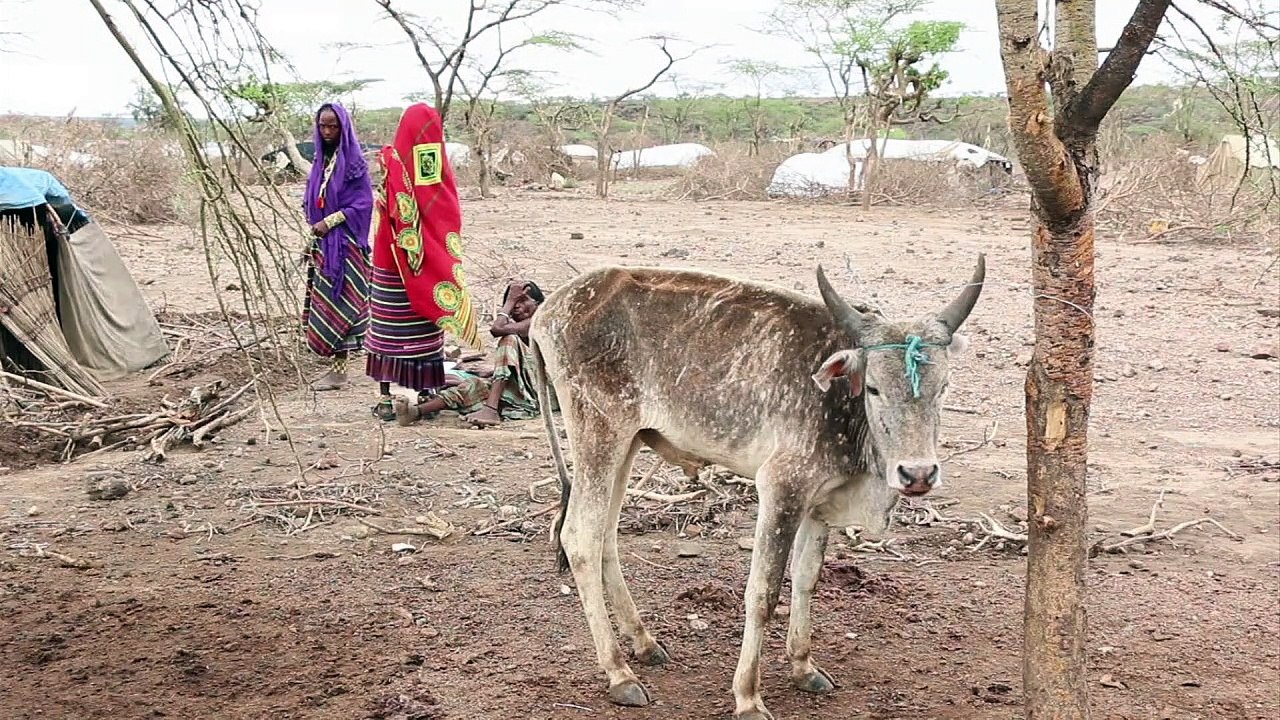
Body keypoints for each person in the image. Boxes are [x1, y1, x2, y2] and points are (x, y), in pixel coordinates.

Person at [364, 102, 482, 421]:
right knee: (421, 328)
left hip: (390, 259)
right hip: (428, 261)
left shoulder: (396, 162)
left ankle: (388, 398)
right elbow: (442, 209)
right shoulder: (437, 169)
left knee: (391, 326)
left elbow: (399, 204)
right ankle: (425, 391)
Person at [393, 279, 547, 428]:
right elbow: (529, 365)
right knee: (474, 385)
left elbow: (497, 329)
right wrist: (492, 373)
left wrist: (508, 304)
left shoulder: (539, 320)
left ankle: (491, 410)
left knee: (508, 339)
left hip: (545, 390)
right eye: (514, 302)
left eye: (522, 300)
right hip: (529, 390)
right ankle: (415, 412)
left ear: (538, 303)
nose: (517, 306)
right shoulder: (520, 327)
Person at [300, 102, 373, 392]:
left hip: (347, 247)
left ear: (344, 128)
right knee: (328, 305)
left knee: (343, 304)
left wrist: (330, 221)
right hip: (324, 248)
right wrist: (312, 239)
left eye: (333, 126)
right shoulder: (320, 161)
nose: (328, 131)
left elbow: (364, 203)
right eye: (323, 126)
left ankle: (341, 371)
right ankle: (341, 369)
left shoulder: (353, 163)